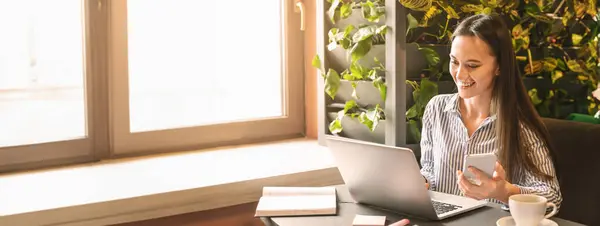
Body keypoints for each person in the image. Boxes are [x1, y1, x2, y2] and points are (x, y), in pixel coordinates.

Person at [419, 13, 563, 209]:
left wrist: (505, 192)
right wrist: (421, 182)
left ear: (499, 67)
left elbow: (552, 196)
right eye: (454, 62)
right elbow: (429, 169)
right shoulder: (436, 109)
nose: (460, 74)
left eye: (472, 65)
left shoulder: (519, 124)